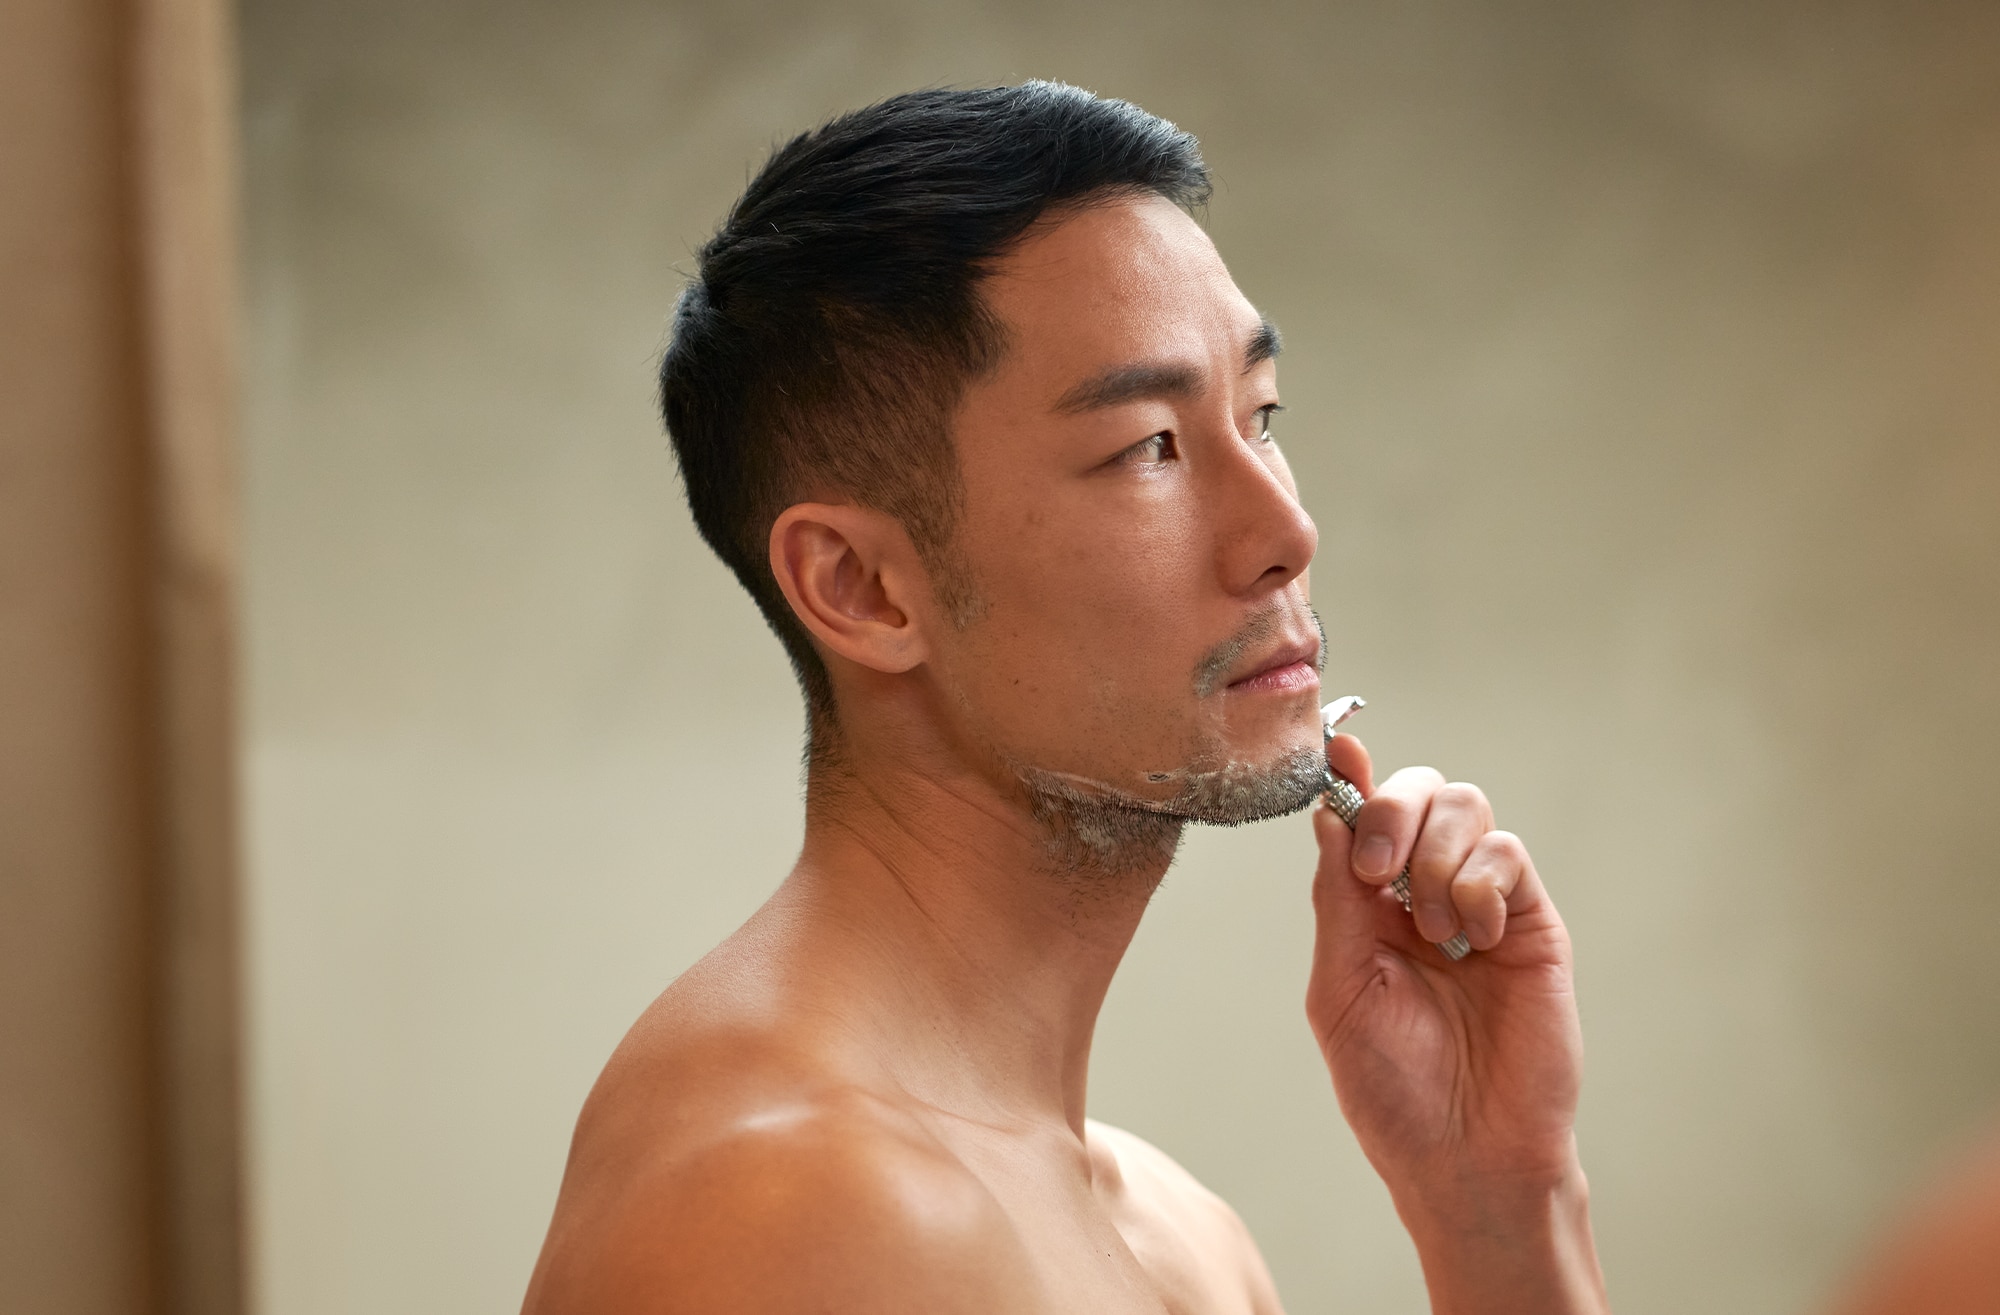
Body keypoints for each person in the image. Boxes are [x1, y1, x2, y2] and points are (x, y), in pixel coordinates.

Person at [521, 82, 1609, 1314]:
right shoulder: (796, 1209)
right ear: (862, 587)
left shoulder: (1179, 1236)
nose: (1283, 532)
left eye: (1260, 415)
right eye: (1146, 445)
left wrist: (1501, 1207)